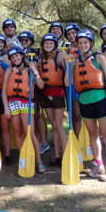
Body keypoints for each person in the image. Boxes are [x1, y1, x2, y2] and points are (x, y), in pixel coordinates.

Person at [65, 29, 106, 181]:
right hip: (84, 101)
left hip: (100, 98)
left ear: (91, 44)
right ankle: (99, 165)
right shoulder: (75, 62)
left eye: (85, 43)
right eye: (80, 43)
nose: (82, 45)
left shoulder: (99, 57)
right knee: (93, 135)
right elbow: (67, 82)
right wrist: (68, 64)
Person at [2, 46, 47, 174]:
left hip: (27, 102)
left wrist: (35, 71)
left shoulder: (30, 69)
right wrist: (6, 108)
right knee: (17, 131)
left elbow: (41, 85)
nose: (15, 58)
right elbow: (4, 91)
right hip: (13, 103)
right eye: (13, 57)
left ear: (22, 56)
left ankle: (38, 160)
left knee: (30, 132)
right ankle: (25, 157)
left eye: (17, 56)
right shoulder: (10, 70)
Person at [38, 34, 67, 167]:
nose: (48, 45)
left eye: (51, 43)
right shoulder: (40, 58)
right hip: (46, 93)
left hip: (57, 93)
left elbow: (66, 67)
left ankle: (66, 154)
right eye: (46, 43)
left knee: (59, 126)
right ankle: (56, 155)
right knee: (54, 125)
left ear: (55, 45)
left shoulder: (60, 55)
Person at [63, 23, 82, 137]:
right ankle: (77, 140)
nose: (71, 35)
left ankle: (88, 140)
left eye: (73, 33)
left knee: (86, 114)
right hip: (72, 85)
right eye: (69, 34)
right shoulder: (65, 50)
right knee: (76, 114)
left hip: (85, 84)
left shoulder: (86, 46)